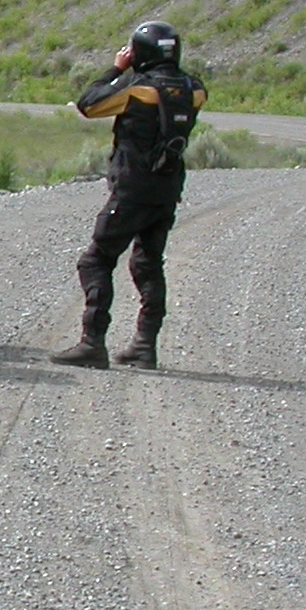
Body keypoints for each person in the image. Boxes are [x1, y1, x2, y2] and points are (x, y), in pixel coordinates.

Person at [50, 20, 205, 371]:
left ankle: (93, 343)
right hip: (167, 189)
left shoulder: (138, 88)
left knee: (96, 261)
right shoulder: (194, 88)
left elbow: (89, 104)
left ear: (140, 52)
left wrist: (117, 68)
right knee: (148, 264)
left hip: (132, 189)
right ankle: (144, 346)